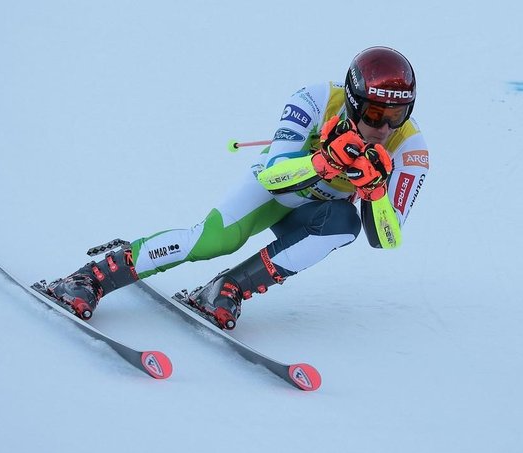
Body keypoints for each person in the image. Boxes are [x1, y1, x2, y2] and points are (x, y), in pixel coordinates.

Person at [47, 46, 430, 329]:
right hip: (277, 193)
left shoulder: (410, 148)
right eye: (375, 113)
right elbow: (271, 176)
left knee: (346, 224)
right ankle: (89, 278)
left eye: (397, 115)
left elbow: (387, 238)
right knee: (213, 242)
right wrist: (324, 162)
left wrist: (377, 193)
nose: (383, 127)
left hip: (315, 213)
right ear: (351, 100)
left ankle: (226, 289)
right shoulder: (315, 99)